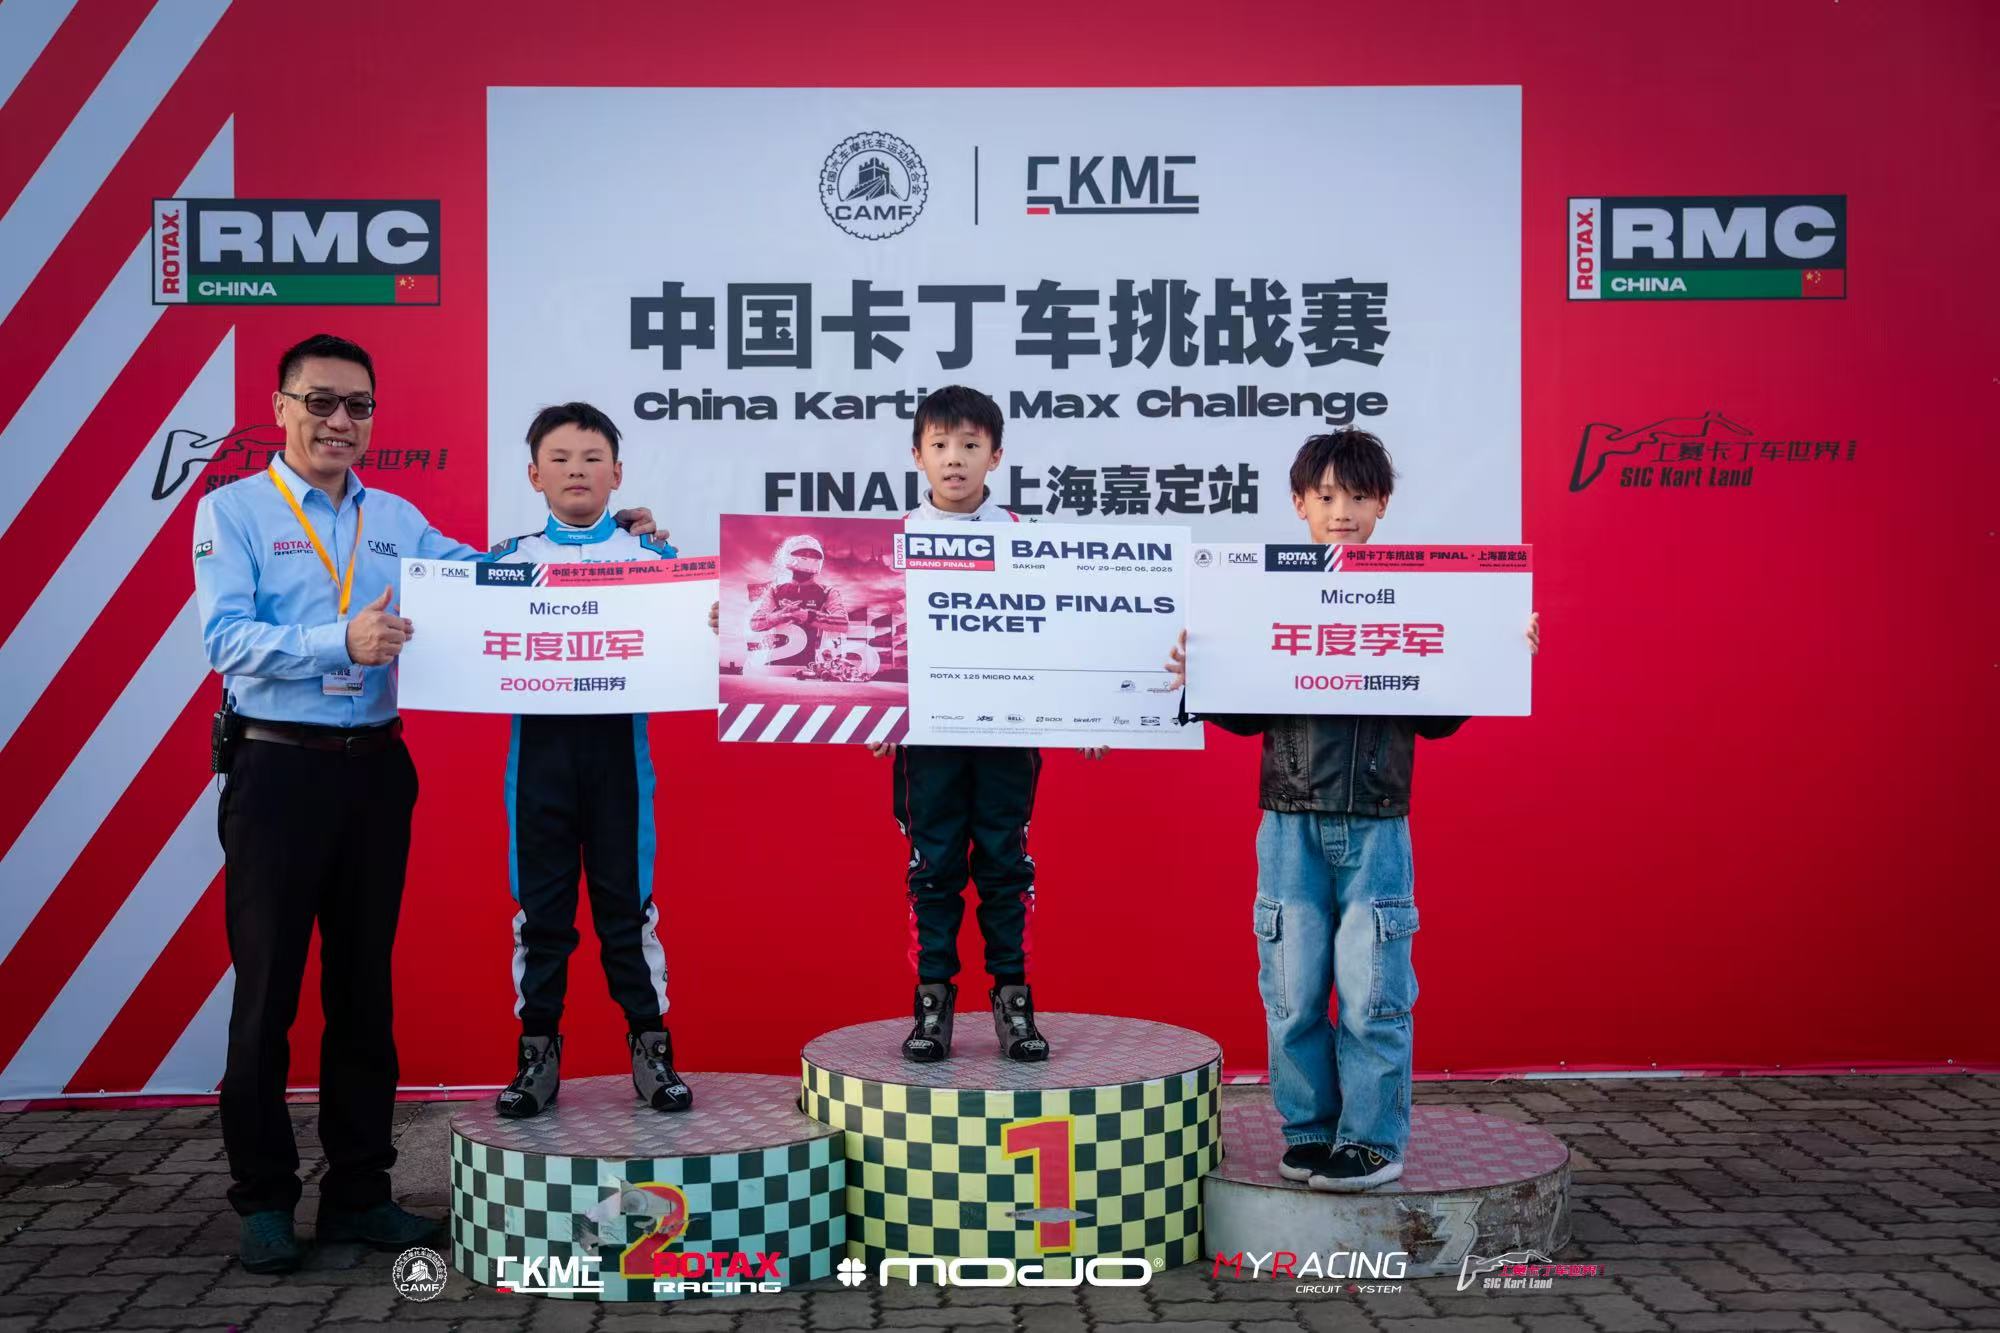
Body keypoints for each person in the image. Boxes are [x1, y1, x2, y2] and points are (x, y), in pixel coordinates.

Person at [192, 335, 657, 1273]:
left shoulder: (396, 518)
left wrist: (619, 553)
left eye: (358, 406)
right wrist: (339, 640)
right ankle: (265, 1199)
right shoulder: (231, 509)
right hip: (278, 768)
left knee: (365, 989)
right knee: (267, 993)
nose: (340, 421)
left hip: (375, 770)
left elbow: (501, 586)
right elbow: (225, 639)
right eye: (321, 401)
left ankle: (360, 1190)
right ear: (281, 407)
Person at [1165, 429, 1539, 1192]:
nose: (1342, 511)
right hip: (1287, 821)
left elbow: (1436, 716)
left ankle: (1371, 1139)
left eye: (1359, 497)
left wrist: (1496, 655)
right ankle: (1308, 1129)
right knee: (1292, 990)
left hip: (1377, 822)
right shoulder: (1265, 597)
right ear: (1299, 503)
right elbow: (1244, 711)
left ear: (1383, 505)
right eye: (1327, 496)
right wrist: (1200, 672)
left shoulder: (1415, 599)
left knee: (1374, 992)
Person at [867, 386, 1105, 1064]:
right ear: (917, 455)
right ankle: (932, 1001)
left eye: (970, 445)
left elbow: (1058, 630)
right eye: (940, 445)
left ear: (995, 456)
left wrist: (1092, 709)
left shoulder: (1026, 537)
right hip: (927, 741)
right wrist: (877, 709)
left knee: (1005, 865)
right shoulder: (891, 542)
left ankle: (1013, 999)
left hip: (1007, 735)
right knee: (933, 867)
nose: (955, 458)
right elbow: (879, 632)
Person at [487, 402, 695, 1120]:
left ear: (617, 473)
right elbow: (453, 627)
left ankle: (652, 1046)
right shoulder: (504, 562)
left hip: (618, 763)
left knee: (626, 912)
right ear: (534, 475)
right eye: (560, 458)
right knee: (541, 915)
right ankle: (536, 1053)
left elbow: (703, 629)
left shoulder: (657, 561)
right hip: (537, 763)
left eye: (591, 458)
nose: (576, 470)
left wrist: (711, 613)